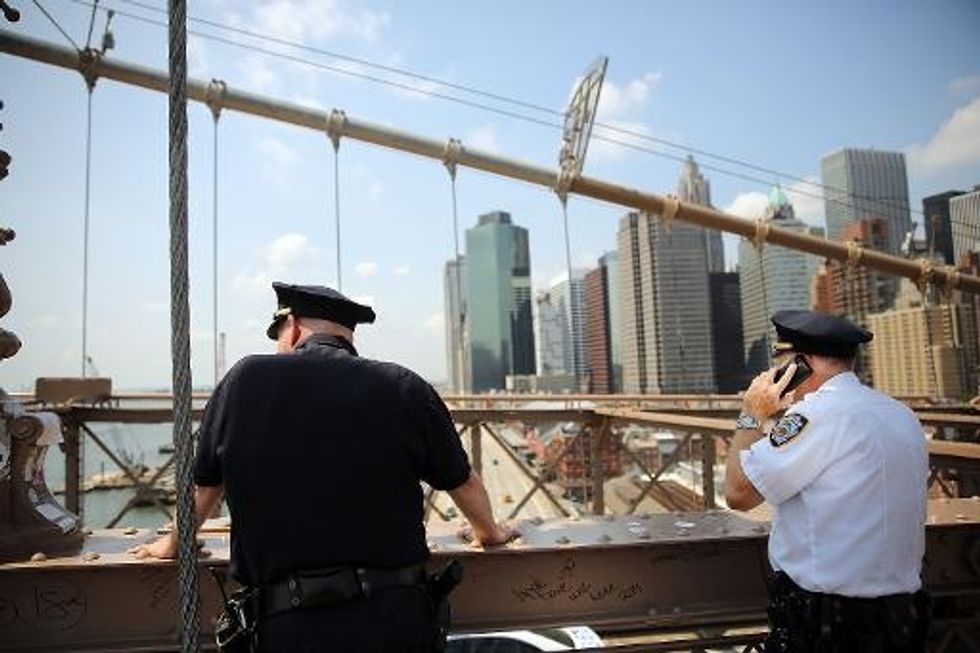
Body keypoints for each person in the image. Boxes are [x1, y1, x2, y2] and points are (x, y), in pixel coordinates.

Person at [134, 282, 515, 652]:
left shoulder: (244, 380)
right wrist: (490, 534)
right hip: (397, 617)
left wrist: (171, 544)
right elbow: (461, 483)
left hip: (289, 625)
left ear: (294, 326)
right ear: (349, 337)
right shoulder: (403, 385)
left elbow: (205, 488)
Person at [724, 309, 929, 652]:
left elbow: (737, 493)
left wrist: (751, 414)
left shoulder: (815, 416)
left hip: (830, 625)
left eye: (779, 359)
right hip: (905, 620)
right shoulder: (901, 414)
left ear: (799, 364)